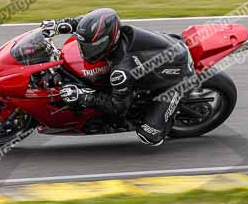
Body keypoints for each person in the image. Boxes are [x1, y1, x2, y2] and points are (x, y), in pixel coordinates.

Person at [41, 8, 194, 146]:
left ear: (109, 40)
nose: (86, 51)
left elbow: (117, 108)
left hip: (178, 75)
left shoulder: (122, 71)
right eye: (85, 46)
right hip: (164, 49)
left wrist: (83, 96)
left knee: (149, 135)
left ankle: (171, 108)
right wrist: (58, 25)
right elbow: (84, 24)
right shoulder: (111, 29)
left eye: (93, 47)